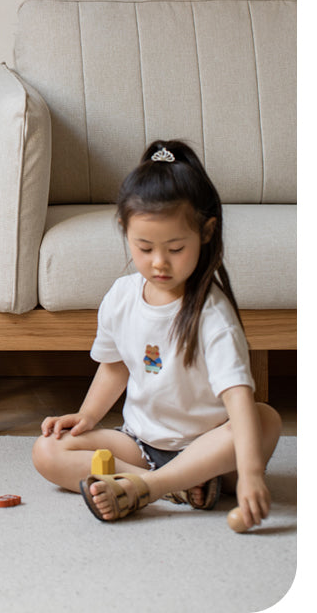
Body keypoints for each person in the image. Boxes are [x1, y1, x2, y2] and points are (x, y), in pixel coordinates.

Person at [31, 140, 282, 526]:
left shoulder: (212, 314)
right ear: (124, 230)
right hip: (141, 444)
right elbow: (115, 367)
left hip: (210, 448)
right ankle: (168, 484)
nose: (159, 262)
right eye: (144, 248)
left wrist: (250, 475)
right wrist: (86, 414)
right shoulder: (121, 296)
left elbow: (236, 397)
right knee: (46, 452)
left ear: (206, 232)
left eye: (176, 248)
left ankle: (152, 486)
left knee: (262, 420)